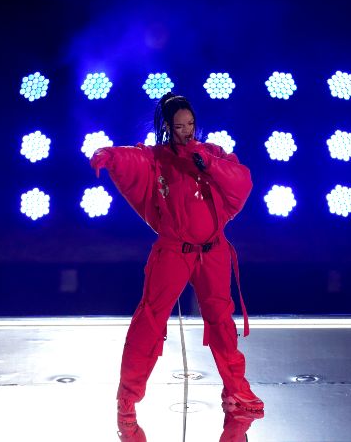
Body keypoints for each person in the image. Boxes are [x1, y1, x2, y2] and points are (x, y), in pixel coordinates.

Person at [90, 92, 264, 439]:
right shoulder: (157, 159)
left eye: (191, 124)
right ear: (168, 127)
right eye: (180, 126)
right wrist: (110, 155)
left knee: (221, 322)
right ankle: (127, 400)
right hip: (173, 251)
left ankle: (236, 390)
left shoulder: (211, 153)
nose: (187, 131)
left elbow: (241, 180)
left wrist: (207, 162)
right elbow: (133, 157)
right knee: (150, 320)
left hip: (212, 251)